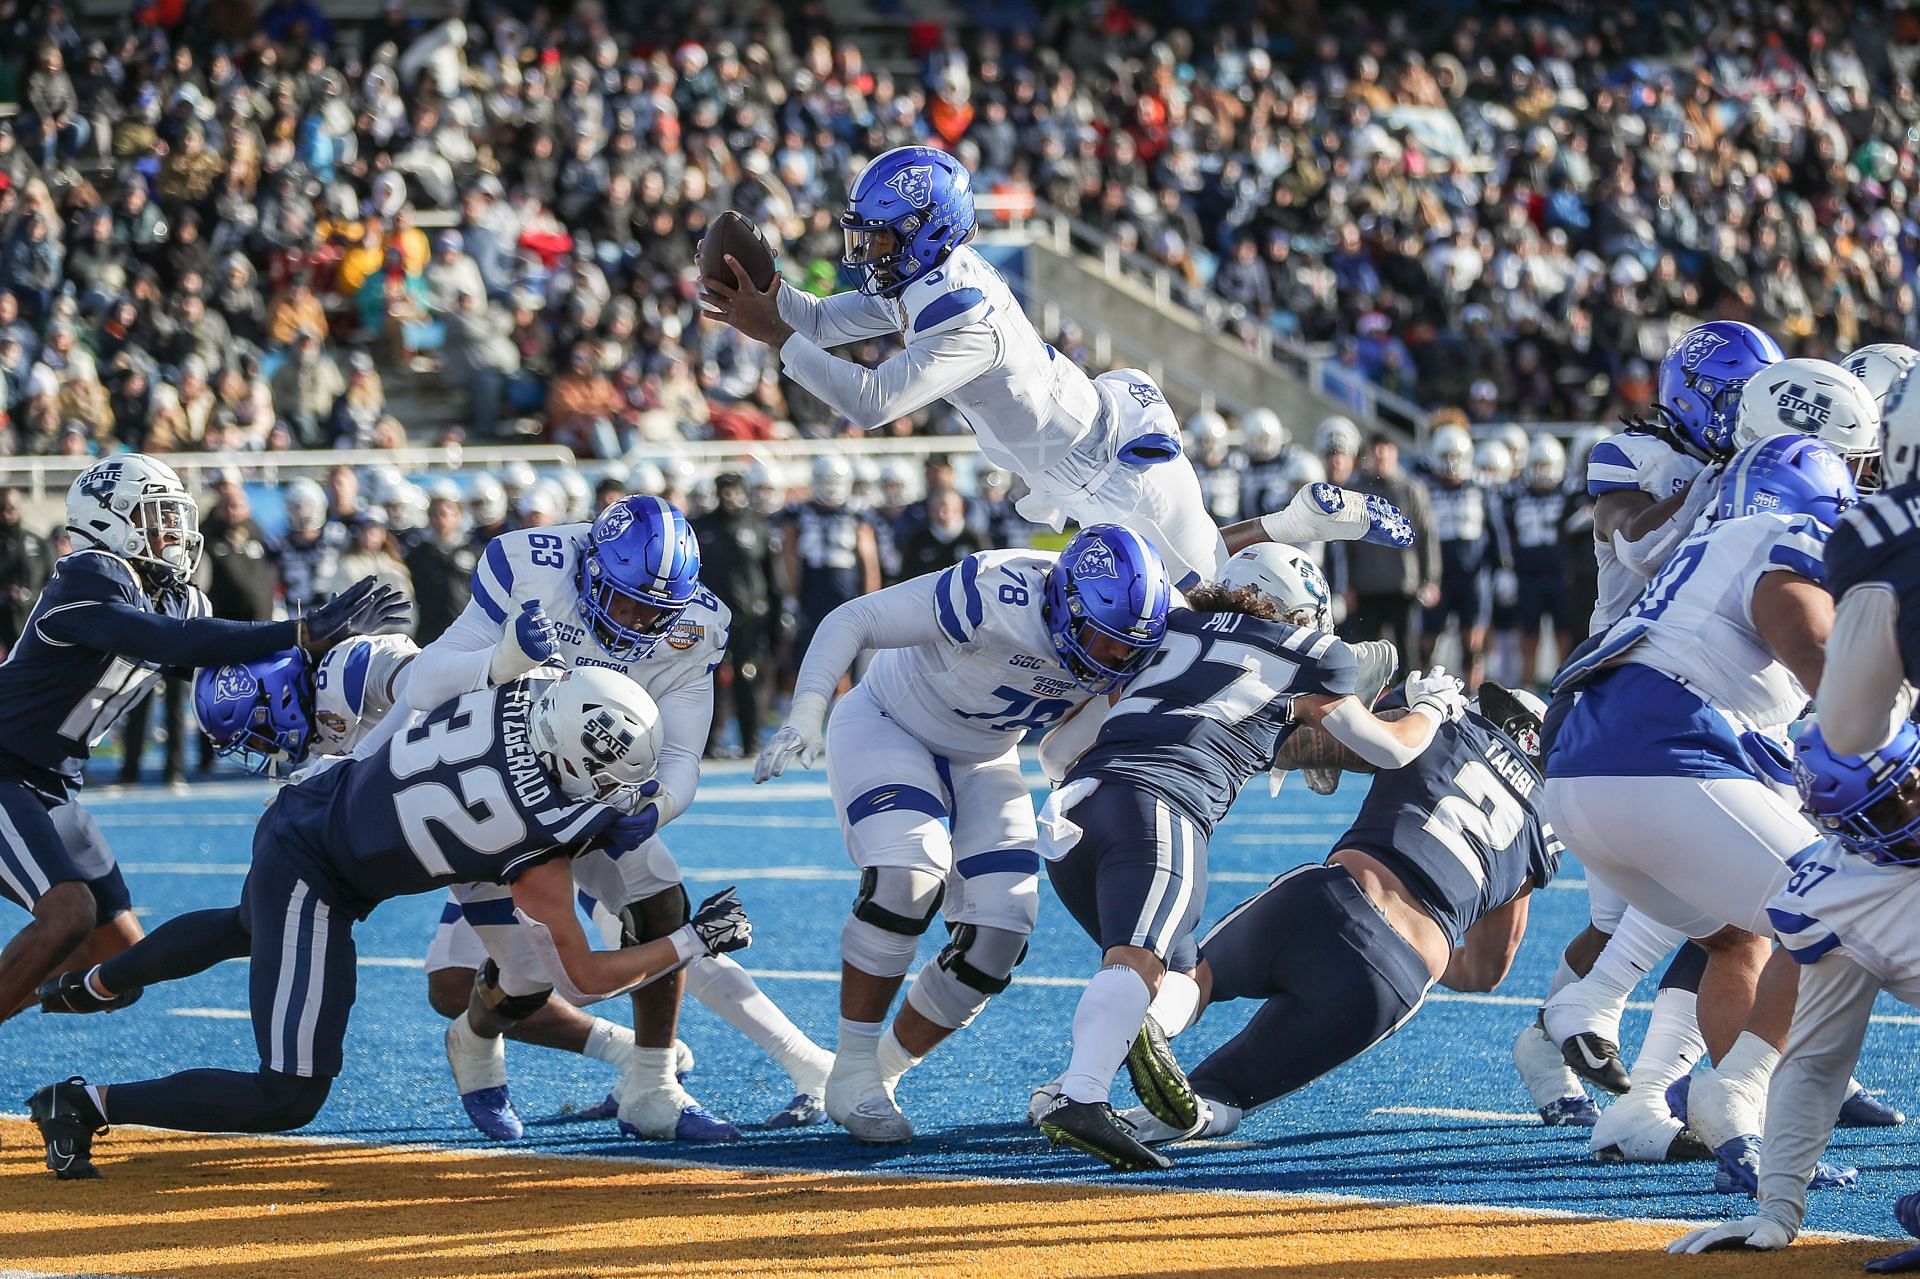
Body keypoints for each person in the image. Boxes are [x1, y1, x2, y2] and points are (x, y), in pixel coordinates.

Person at [21, 668, 754, 1179]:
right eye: (599, 783)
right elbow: (584, 978)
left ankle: (94, 982)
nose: (612, 798)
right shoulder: (537, 844)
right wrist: (691, 939)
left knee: (250, 923)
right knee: (290, 1092)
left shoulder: (524, 688)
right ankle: (83, 1104)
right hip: (317, 872)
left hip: (316, 799)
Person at [698, 145, 1410, 592]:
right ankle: (1292, 520)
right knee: (1178, 592)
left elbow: (871, 401)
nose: (865, 249)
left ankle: (1308, 520)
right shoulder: (926, 279)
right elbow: (823, 319)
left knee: (1212, 600)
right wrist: (768, 302)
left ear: (925, 234)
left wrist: (777, 341)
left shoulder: (963, 314)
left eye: (878, 235)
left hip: (1113, 472)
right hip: (1069, 459)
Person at [368, 495, 830, 1139]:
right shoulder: (534, 571)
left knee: (654, 894)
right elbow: (422, 686)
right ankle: (478, 1040)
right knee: (489, 982)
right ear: (589, 568)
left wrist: (659, 805)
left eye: (655, 610)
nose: (639, 622)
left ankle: (654, 1082)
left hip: (589, 789)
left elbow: (680, 758)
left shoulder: (694, 627)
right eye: (625, 601)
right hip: (486, 786)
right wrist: (498, 662)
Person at [1029, 543, 1466, 1170]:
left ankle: (1069, 1085)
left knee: (1174, 973)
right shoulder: (1308, 654)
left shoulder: (1169, 625)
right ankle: (1081, 1094)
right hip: (1161, 807)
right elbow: (1391, 750)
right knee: (1140, 964)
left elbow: (1057, 750)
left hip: (1075, 811)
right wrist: (1431, 707)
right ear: (1297, 612)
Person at [752, 525, 1172, 1144]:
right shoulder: (994, 591)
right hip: (890, 724)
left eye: (1126, 649)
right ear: (1063, 603)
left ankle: (871, 1076)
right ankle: (854, 1057)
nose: (1113, 658)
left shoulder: (1142, 631)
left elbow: (1063, 744)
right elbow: (853, 618)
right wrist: (807, 712)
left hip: (987, 756)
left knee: (1000, 935)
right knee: (907, 874)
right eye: (1101, 640)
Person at [1545, 435, 1860, 1190]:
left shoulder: (1713, 537)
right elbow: (1816, 652)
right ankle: (1736, 1090)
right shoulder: (1779, 537)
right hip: (1663, 759)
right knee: (1852, 911)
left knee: (1740, 936)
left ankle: (1727, 1124)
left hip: (1586, 771)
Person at [0, 455, 406, 1032]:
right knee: (68, 914)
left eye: (174, 515)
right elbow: (162, 638)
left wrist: (330, 671)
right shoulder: (90, 574)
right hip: (6, 767)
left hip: (53, 783)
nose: (173, 529)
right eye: (156, 515)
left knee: (115, 968)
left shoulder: (175, 597)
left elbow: (223, 667)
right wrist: (297, 630)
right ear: (110, 519)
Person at [1114, 684, 1556, 1157]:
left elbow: (1324, 740)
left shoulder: (1443, 723)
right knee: (1229, 1090)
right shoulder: (1537, 827)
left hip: (1332, 898)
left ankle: (1097, 1069)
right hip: (1396, 977)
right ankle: (1201, 1112)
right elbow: (1484, 972)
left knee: (1197, 977)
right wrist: (1420, 946)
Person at [1668, 726, 1920, 1264]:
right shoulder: (1841, 895)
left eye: (1911, 784)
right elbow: (1815, 1064)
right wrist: (1776, 1210)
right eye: (1888, 811)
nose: (1913, 808)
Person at [693, 473, 777, 760]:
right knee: (706, 683)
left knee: (748, 679)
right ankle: (706, 745)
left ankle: (751, 742)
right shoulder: (700, 528)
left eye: (734, 490)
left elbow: (772, 579)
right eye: (723, 491)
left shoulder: (758, 528)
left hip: (748, 621)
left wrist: (777, 619)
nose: (729, 496)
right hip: (707, 621)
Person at [1343, 432, 1438, 664]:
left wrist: (1431, 579)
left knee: (1406, 651)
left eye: (1386, 447)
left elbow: (1426, 536)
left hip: (1403, 585)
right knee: (1367, 654)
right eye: (1375, 448)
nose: (1380, 454)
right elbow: (1345, 542)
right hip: (1366, 586)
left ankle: (1408, 696)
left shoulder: (1411, 489)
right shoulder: (1356, 490)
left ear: (1396, 453)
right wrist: (1347, 584)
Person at [781, 456, 879, 665]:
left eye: (835, 481)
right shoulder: (798, 512)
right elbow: (789, 555)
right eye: (826, 481)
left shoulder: (857, 512)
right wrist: (791, 595)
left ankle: (842, 697)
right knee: (809, 650)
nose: (831, 487)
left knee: (846, 649)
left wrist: (872, 597)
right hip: (812, 585)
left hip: (846, 587)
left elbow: (868, 559)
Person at [1420, 425, 1493, 688]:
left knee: (1472, 640)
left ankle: (1473, 694)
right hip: (1438, 575)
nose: (1451, 463)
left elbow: (1496, 530)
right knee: (1428, 636)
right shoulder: (1425, 487)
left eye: (1455, 456)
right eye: (1445, 456)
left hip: (1472, 575)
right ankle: (1421, 686)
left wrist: (1503, 567)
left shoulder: (1480, 486)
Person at [404, 488, 477, 645]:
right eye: (435, 514)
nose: (441, 519)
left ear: (458, 516)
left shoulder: (473, 550)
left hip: (465, 630)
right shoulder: (418, 553)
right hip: (428, 632)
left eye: (446, 514)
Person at [0, 486, 48, 658]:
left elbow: (53, 582)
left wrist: (28, 597)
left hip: (33, 625)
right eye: (1, 509)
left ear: (20, 508)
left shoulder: (38, 542)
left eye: (11, 508)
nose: (6, 514)